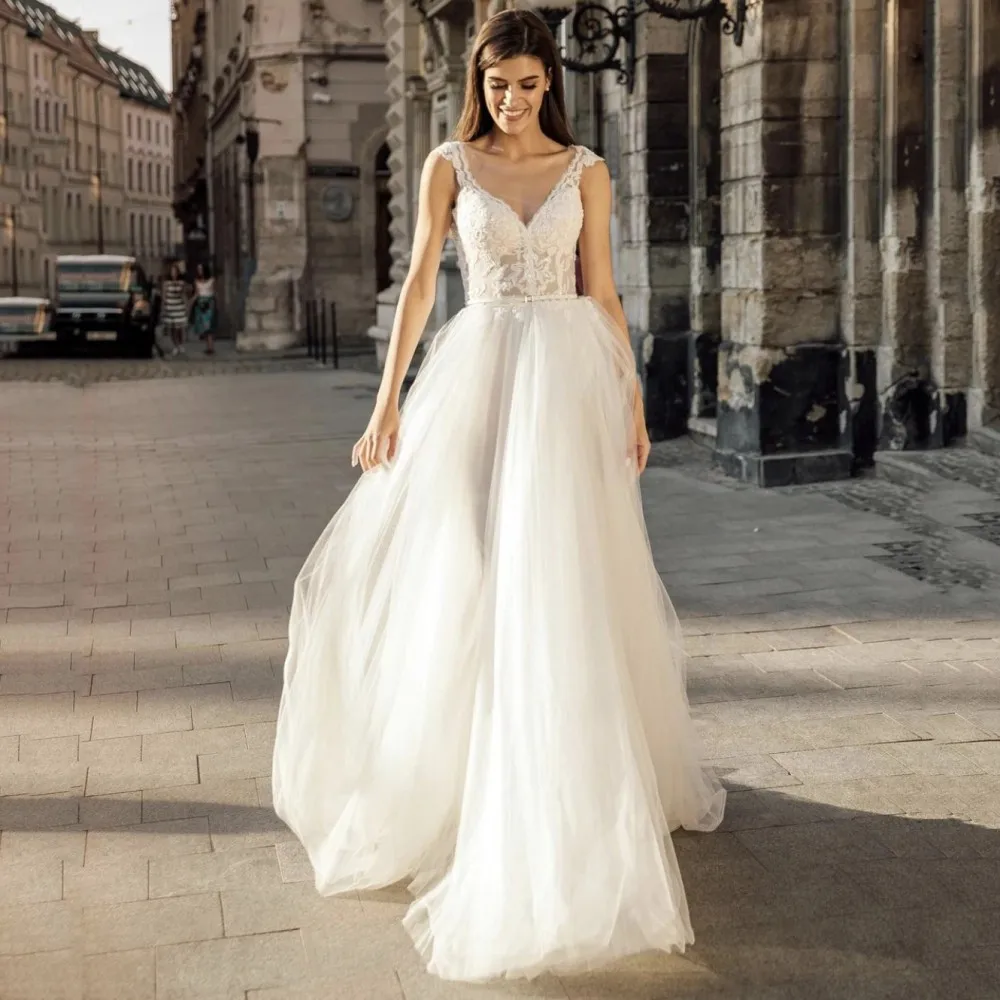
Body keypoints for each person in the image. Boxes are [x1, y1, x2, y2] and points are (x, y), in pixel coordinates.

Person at [272, 8, 725, 984]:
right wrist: (386, 403)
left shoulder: (587, 171)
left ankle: (563, 777)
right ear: (474, 84)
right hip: (476, 377)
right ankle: (456, 777)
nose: (509, 101)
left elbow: (603, 291)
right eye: (494, 85)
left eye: (524, 84)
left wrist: (633, 397)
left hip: (565, 381)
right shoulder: (447, 165)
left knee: (561, 576)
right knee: (467, 564)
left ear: (547, 81)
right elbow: (420, 291)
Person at [160, 262, 189, 356]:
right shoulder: (166, 283)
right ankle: (175, 346)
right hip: (170, 307)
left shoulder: (181, 283)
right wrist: (164, 307)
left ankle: (180, 344)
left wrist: (186, 306)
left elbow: (184, 295)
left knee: (179, 328)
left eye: (175, 272)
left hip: (179, 307)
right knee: (172, 329)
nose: (174, 273)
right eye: (172, 272)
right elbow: (164, 296)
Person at [189, 262, 216, 355]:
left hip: (209, 303)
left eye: (201, 269)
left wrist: (212, 304)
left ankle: (211, 347)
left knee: (209, 326)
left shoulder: (212, 280)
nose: (199, 271)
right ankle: (208, 346)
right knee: (203, 327)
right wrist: (191, 302)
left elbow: (213, 293)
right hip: (200, 303)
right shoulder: (196, 281)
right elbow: (197, 294)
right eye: (198, 269)